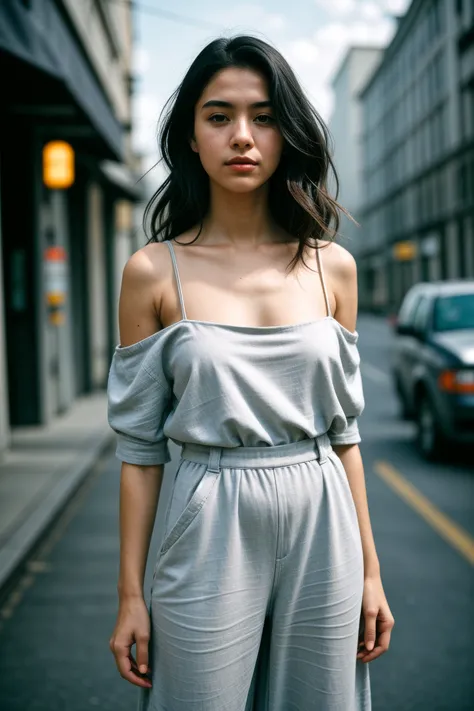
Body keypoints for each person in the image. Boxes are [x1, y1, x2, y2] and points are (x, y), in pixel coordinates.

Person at [107, 35, 394, 711]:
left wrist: (372, 572)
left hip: (324, 507)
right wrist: (128, 597)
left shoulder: (334, 267)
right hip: (207, 508)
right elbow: (141, 452)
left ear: (286, 130)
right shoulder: (153, 270)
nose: (243, 136)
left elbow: (345, 434)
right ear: (191, 135)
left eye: (263, 116)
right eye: (219, 116)